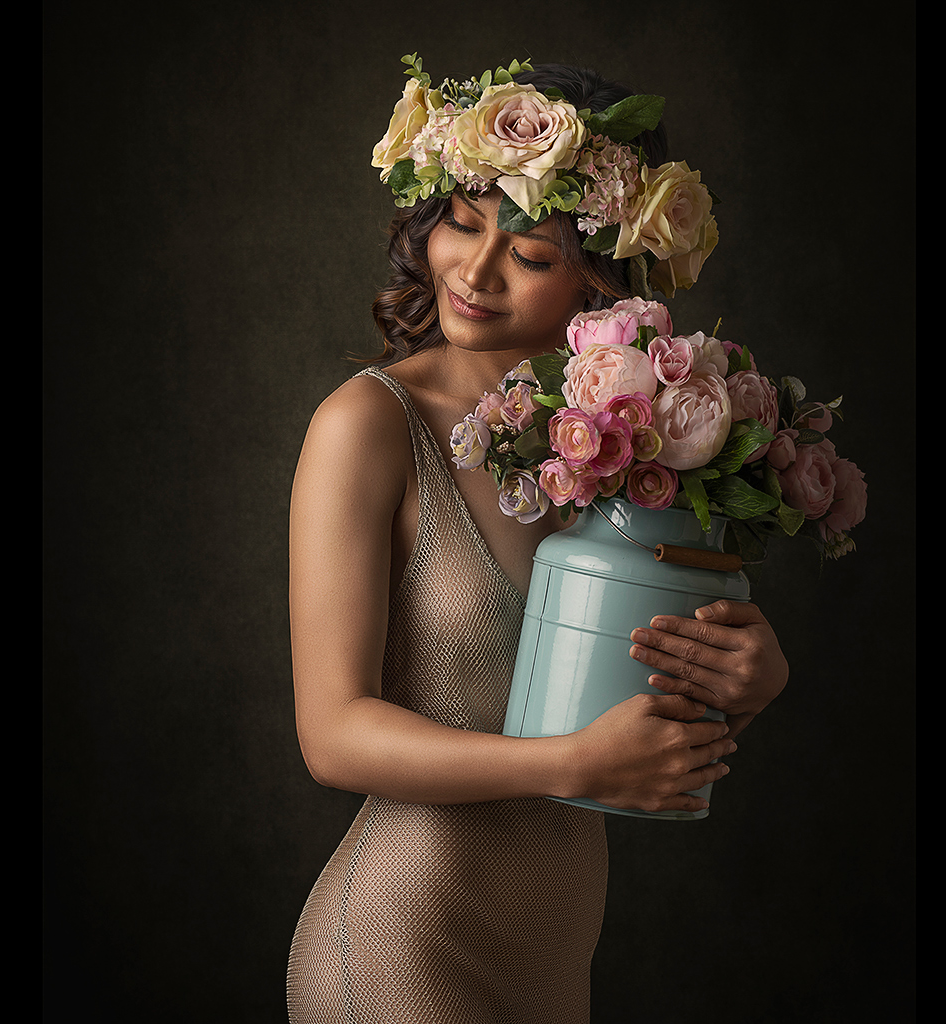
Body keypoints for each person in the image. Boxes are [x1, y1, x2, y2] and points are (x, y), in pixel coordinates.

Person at [286, 59, 788, 1024]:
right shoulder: (368, 424)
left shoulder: (640, 447)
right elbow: (332, 733)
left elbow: (637, 729)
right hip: (402, 948)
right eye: (461, 224)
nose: (472, 273)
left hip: (552, 962)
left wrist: (744, 684)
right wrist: (565, 764)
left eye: (529, 253)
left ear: (604, 274)